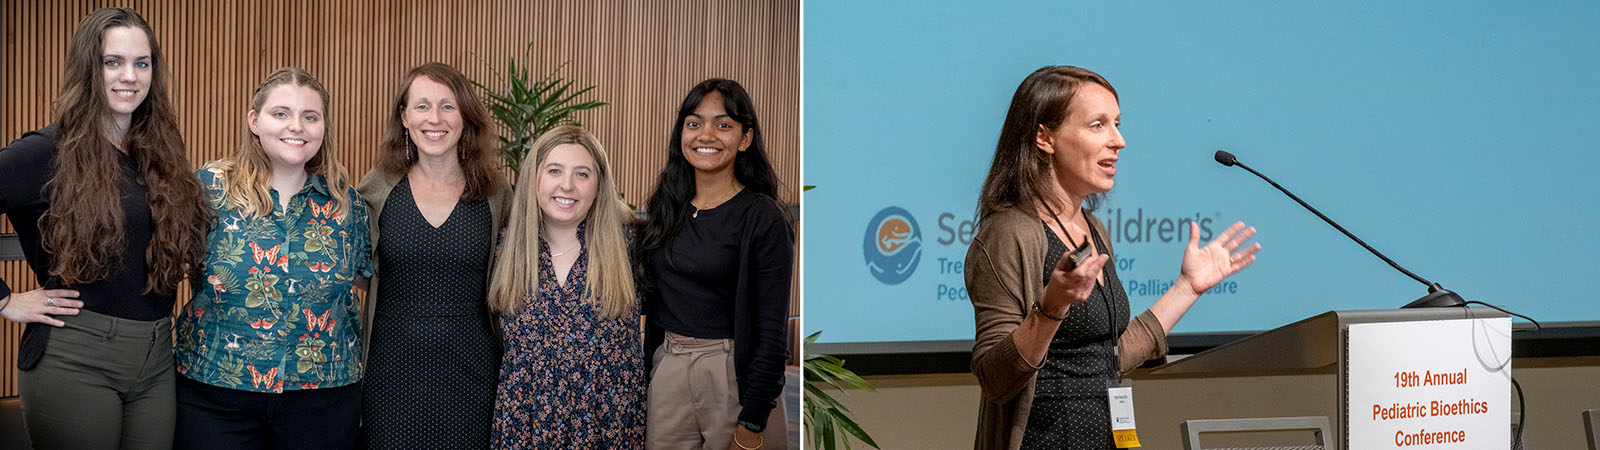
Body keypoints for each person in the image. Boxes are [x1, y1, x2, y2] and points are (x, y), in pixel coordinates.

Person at [965, 65, 1261, 449]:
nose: (1118, 141)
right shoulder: (1010, 232)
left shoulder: (1092, 228)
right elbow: (994, 378)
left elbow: (1107, 357)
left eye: (1117, 124)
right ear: (1045, 137)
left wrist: (1188, 288)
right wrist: (1052, 307)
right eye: (1097, 125)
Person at [0, 8, 209, 449]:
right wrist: (5, 300)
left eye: (142, 62)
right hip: (76, 357)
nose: (129, 76)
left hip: (155, 358)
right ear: (87, 68)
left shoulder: (160, 155)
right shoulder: (46, 151)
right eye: (112, 62)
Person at [173, 67, 372, 450]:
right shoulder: (207, 190)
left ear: (323, 127)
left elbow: (369, 281)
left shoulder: (349, 207)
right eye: (281, 113)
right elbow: (157, 265)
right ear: (254, 120)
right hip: (215, 393)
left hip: (322, 398)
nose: (295, 126)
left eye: (310, 117)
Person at [358, 61, 510, 449]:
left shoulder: (496, 194)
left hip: (473, 368)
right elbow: (353, 270)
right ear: (404, 117)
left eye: (448, 106)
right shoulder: (376, 188)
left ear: (465, 116)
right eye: (422, 106)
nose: (435, 119)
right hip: (390, 366)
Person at [634, 78, 793, 450]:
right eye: (694, 123)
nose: (706, 134)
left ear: (745, 138)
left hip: (731, 373)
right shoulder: (666, 209)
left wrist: (754, 419)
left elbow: (772, 331)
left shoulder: (763, 217)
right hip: (669, 365)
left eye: (723, 125)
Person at [487, 124, 644, 448]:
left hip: (607, 429)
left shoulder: (633, 247)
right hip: (524, 428)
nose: (567, 185)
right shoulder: (505, 250)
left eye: (582, 174)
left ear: (599, 185)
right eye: (555, 170)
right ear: (534, 178)